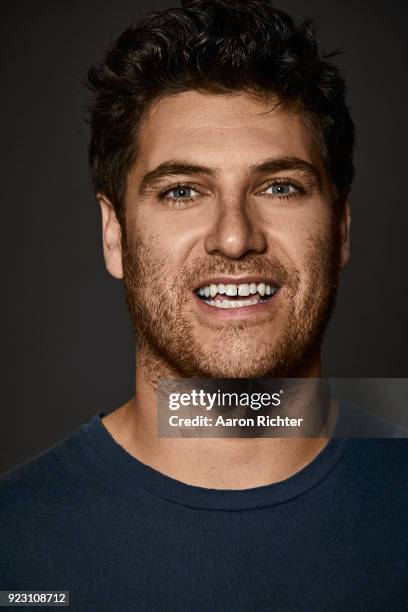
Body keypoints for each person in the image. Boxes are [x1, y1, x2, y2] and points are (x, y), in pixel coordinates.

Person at [1, 1, 407, 610]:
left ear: (341, 228)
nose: (235, 236)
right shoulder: (13, 543)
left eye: (280, 187)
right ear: (115, 235)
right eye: (183, 191)